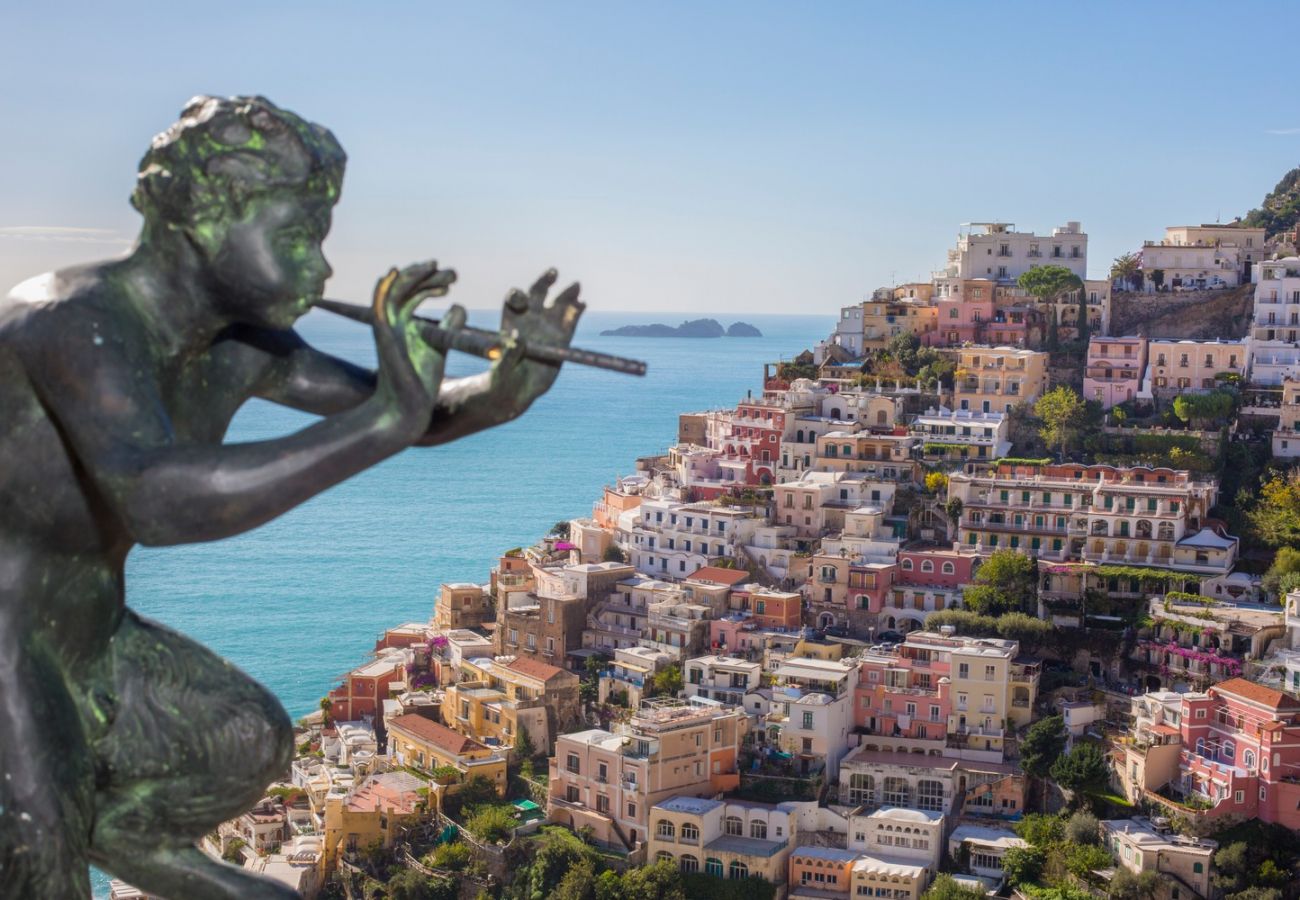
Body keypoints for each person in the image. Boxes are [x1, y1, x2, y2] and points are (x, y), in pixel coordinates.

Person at [0, 95, 582, 899]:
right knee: (40, 876)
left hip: (83, 631)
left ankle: (126, 834)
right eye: (296, 236)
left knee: (247, 738)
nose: (320, 270)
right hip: (7, 644)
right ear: (208, 215)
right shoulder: (70, 322)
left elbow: (409, 411)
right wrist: (385, 419)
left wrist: (503, 390)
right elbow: (156, 500)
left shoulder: (245, 346)